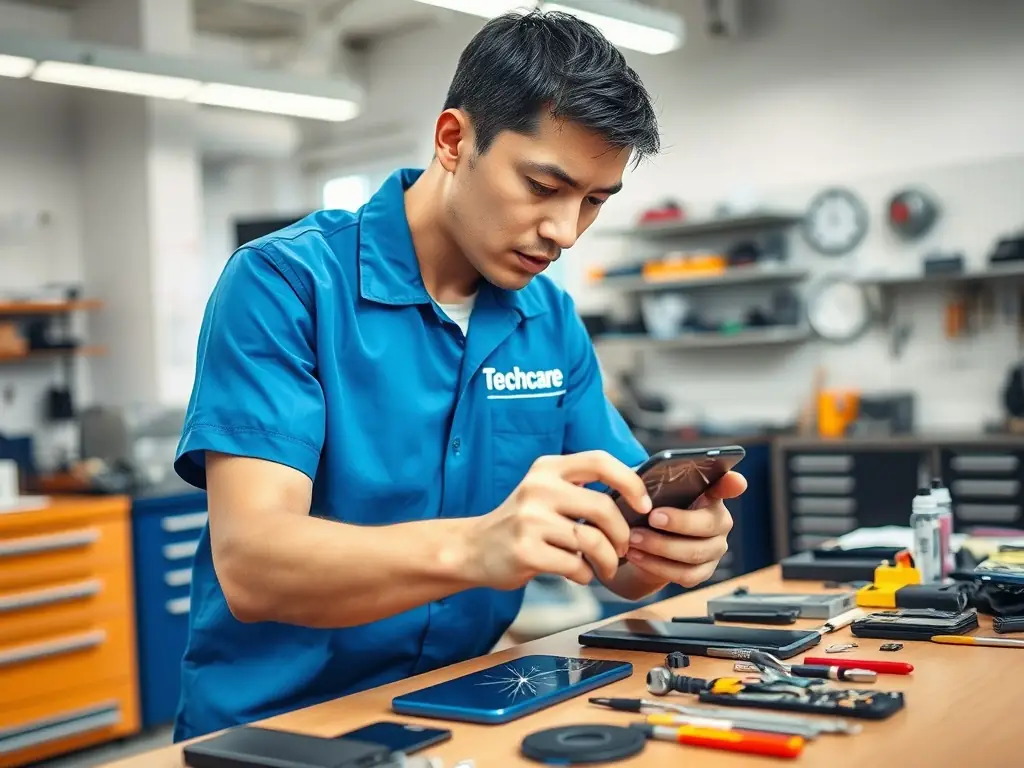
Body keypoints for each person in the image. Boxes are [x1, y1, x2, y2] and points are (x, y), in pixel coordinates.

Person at [171, 8, 746, 742]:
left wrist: (668, 544)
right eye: (543, 186)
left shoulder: (549, 321)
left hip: (462, 712)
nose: (566, 232)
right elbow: (254, 564)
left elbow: (621, 561)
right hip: (278, 732)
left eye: (594, 202)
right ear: (454, 141)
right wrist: (479, 546)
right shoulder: (284, 285)